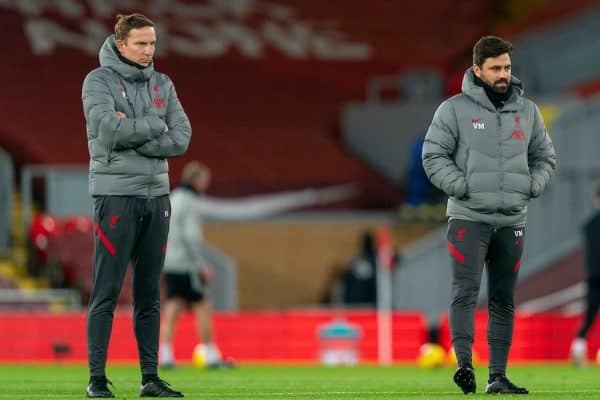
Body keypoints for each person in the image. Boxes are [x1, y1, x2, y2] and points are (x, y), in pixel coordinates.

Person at [422, 36, 556, 394]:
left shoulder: (528, 112)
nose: (503, 74)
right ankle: (464, 364)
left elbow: (545, 157)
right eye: (496, 68)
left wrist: (532, 185)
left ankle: (497, 377)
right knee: (464, 293)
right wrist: (462, 187)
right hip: (469, 218)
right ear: (477, 70)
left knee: (503, 300)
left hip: (512, 220)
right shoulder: (453, 110)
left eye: (507, 67)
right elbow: (433, 156)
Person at [82, 13, 191, 398]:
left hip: (157, 199)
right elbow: (108, 129)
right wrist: (153, 126)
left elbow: (181, 137)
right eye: (141, 43)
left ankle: (150, 379)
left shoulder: (163, 83)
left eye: (153, 43)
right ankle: (97, 380)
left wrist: (136, 129)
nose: (149, 51)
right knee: (107, 290)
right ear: (121, 43)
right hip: (116, 197)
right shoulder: (97, 81)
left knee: (149, 294)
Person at [159, 161, 357, 369]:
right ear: (197, 180)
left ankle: (165, 355)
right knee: (203, 305)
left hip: (170, 262)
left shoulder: (175, 199)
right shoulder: (191, 203)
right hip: (187, 264)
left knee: (173, 307)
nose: (206, 184)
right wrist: (200, 265)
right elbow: (191, 237)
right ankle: (209, 354)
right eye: (205, 180)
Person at [570, 185, 600, 366]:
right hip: (595, 275)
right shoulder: (590, 225)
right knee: (589, 315)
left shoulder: (588, 225)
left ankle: (578, 348)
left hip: (594, 275)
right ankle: (578, 348)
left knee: (590, 315)